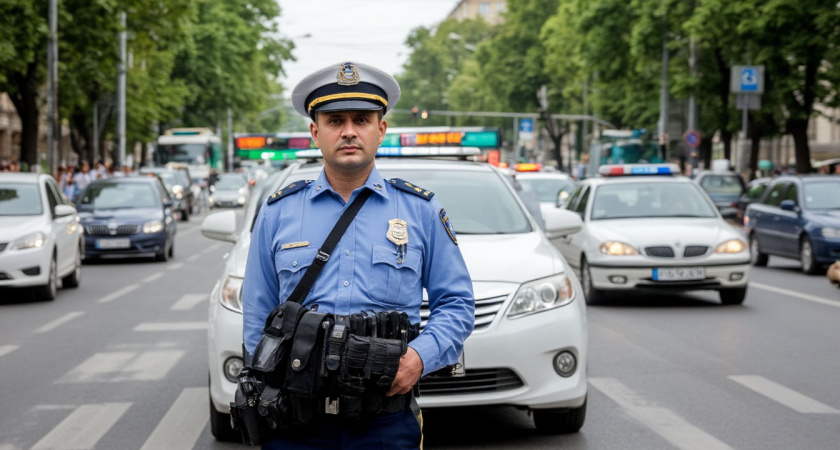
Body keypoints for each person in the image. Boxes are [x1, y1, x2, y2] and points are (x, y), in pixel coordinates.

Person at [241, 61, 475, 449]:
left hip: (384, 422)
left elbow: (457, 304)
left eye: (362, 119)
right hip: (295, 422)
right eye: (335, 120)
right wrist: (266, 382)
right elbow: (257, 313)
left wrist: (419, 357)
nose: (349, 131)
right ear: (315, 132)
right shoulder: (278, 211)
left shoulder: (420, 211)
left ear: (380, 130)